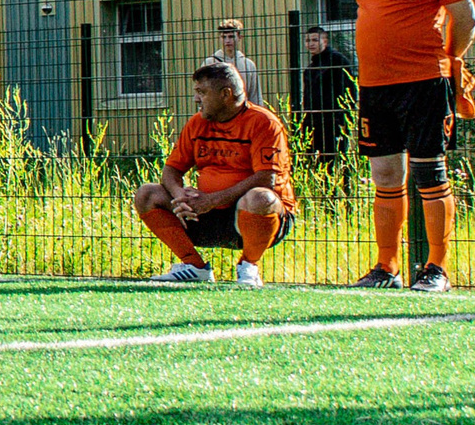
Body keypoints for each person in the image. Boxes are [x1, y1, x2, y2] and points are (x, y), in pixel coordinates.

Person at [349, 0, 475, 292]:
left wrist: (450, 61)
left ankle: (436, 269)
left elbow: (466, 19)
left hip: (424, 81)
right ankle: (386, 268)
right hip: (374, 85)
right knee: (385, 174)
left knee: (429, 171)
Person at [133, 60, 297, 286]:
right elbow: (171, 170)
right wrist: (180, 194)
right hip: (205, 212)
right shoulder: (197, 123)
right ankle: (194, 266)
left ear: (226, 94)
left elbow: (266, 178)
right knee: (147, 194)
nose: (196, 99)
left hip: (256, 216)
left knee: (261, 197)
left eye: (202, 92)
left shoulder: (263, 123)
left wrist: (211, 200)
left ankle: (249, 268)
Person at [298, 25, 357, 163]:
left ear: (325, 41)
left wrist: (344, 116)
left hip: (334, 120)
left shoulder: (338, 61)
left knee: (335, 160)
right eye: (307, 41)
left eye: (315, 40)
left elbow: (350, 91)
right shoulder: (311, 68)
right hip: (314, 120)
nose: (310, 44)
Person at [208, 19, 263, 105]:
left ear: (240, 38)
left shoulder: (248, 65)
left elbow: (255, 95)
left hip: (243, 111)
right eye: (223, 37)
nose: (227, 41)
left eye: (231, 37)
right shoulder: (210, 62)